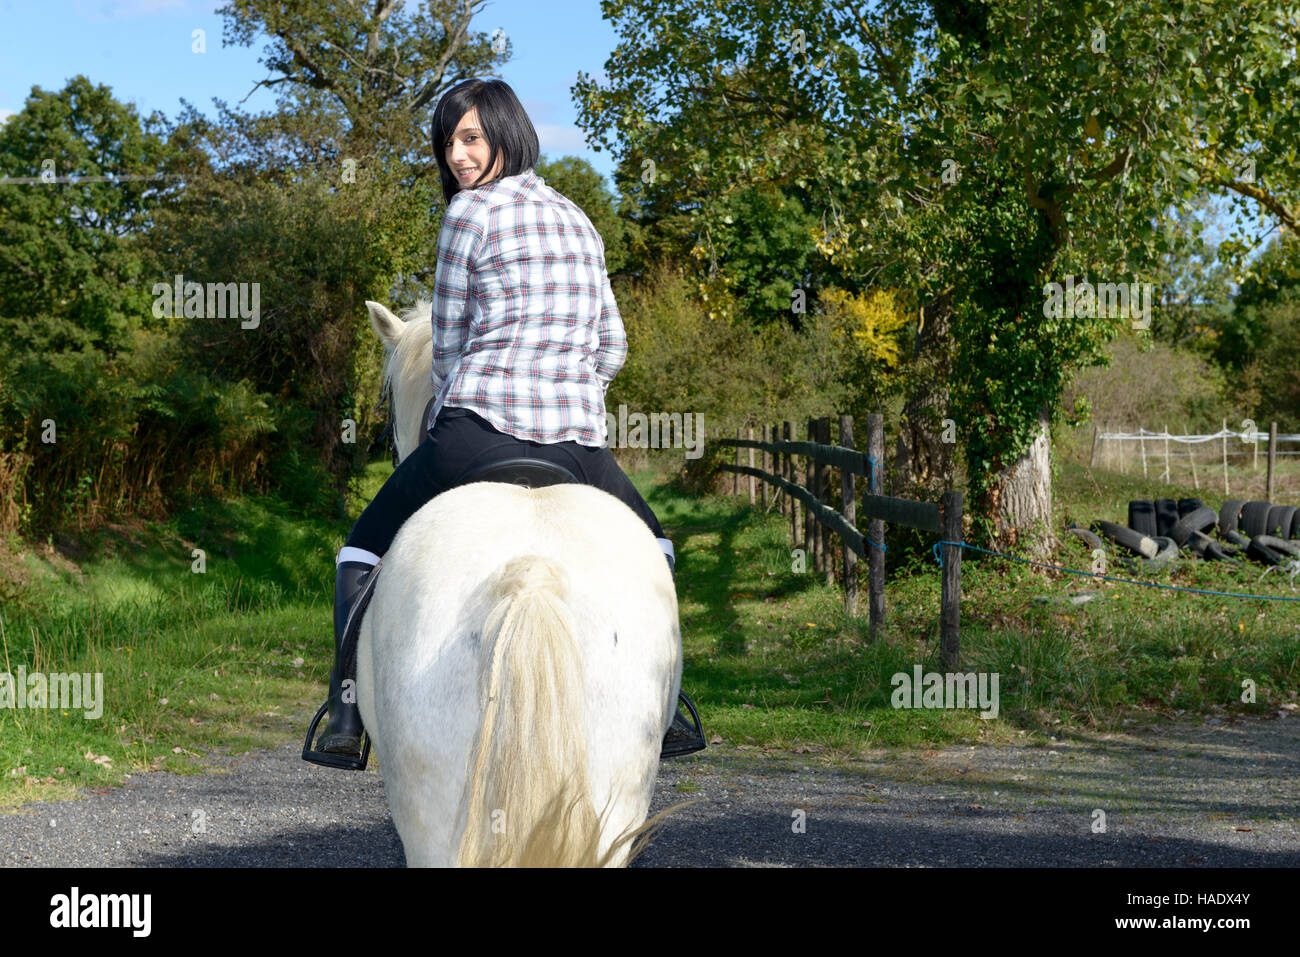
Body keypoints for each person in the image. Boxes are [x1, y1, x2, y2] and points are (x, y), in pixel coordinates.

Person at [307, 78, 704, 767]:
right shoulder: (581, 218)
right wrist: (571, 385)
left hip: (475, 434)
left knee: (359, 549)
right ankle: (669, 712)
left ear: (504, 134)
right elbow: (613, 345)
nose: (457, 157)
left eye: (470, 138)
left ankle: (344, 718)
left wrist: (470, 388)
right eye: (448, 143)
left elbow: (452, 342)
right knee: (659, 547)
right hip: (579, 447)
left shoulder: (468, 215)